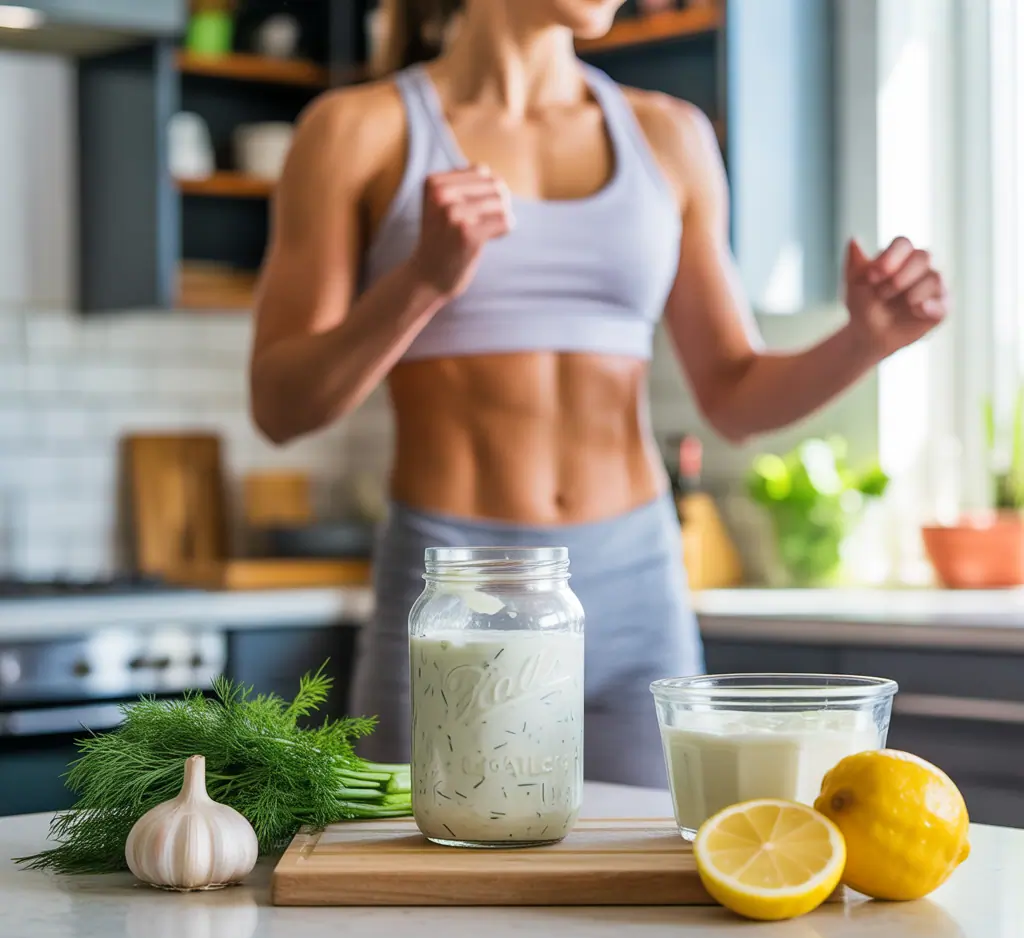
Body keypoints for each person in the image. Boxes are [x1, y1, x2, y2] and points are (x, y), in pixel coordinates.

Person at [249, 0, 948, 786]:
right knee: (436, 891)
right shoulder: (357, 130)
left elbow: (733, 395)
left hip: (639, 587)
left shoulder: (670, 135)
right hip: (458, 590)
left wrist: (865, 340)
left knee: (656, 886)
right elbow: (280, 408)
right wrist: (422, 281)